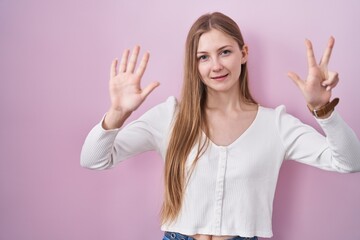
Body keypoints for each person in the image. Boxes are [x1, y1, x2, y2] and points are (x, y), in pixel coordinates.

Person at [80, 12, 360, 240]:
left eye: (225, 52)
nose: (215, 66)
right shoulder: (170, 117)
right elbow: (94, 160)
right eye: (203, 57)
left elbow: (349, 162)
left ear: (244, 52)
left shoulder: (275, 124)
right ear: (195, 64)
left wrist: (323, 110)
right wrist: (117, 112)